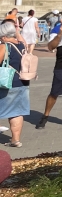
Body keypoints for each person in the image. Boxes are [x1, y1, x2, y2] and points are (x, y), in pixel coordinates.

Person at [0, 19, 30, 147]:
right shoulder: (22, 45)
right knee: (17, 112)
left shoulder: (4, 46)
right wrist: (17, 30)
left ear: (5, 36)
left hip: (7, 83)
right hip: (22, 82)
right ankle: (15, 140)